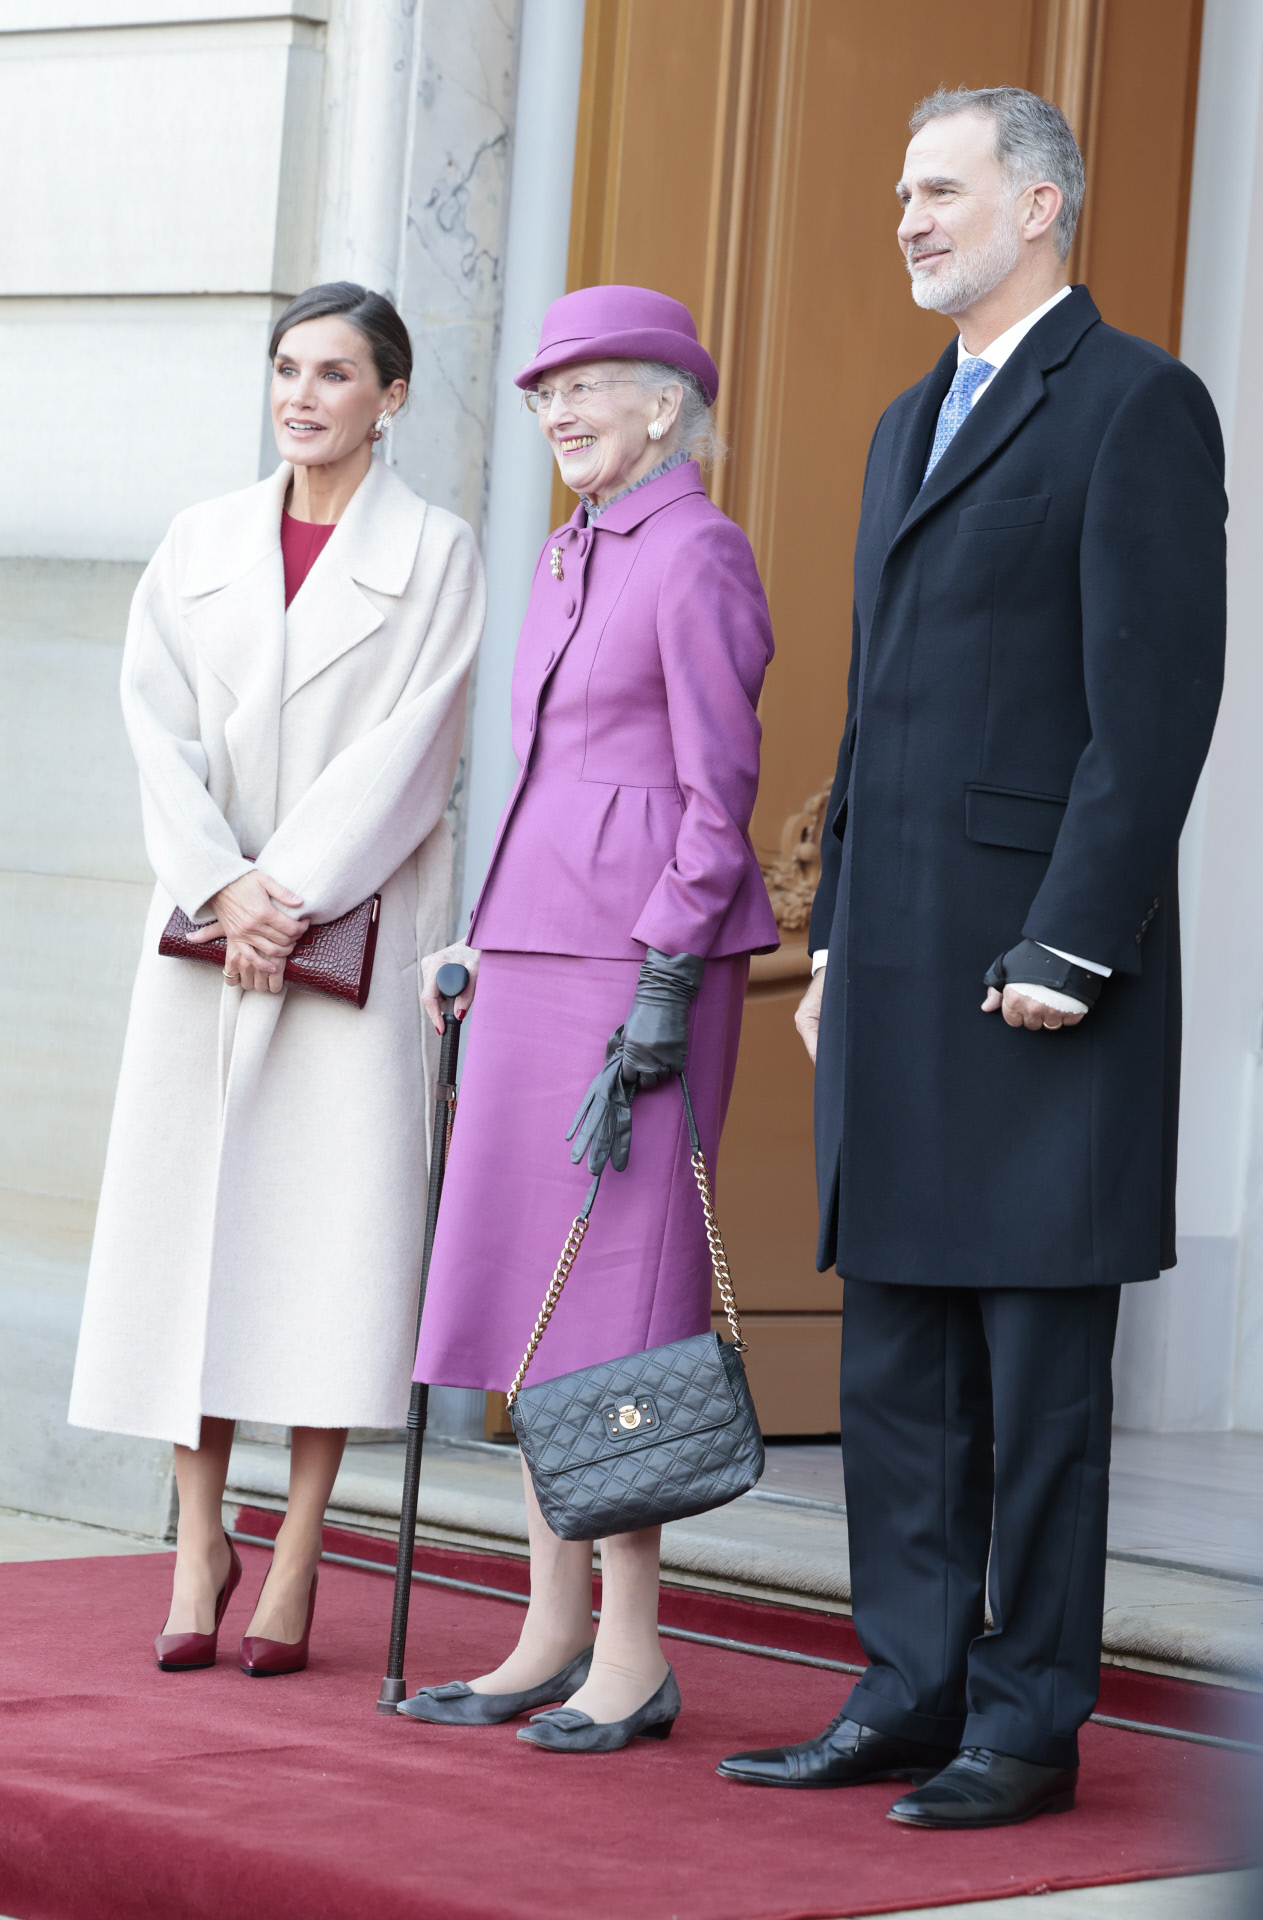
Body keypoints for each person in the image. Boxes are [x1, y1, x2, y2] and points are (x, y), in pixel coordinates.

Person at [719, 88, 1226, 1824]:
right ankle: (909, 1689)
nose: (910, 217)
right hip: (901, 965)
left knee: (1037, 1377)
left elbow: (1150, 713)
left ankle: (1026, 1722)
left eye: (940, 189)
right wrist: (837, 942)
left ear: (1041, 205)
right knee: (898, 1363)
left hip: (1039, 972)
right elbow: (876, 714)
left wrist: (1076, 941)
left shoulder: (1143, 405)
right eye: (898, 191)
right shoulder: (902, 421)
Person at [68, 282, 485, 1677]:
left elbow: (414, 752)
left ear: (394, 396)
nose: (304, 395)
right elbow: (154, 728)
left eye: (336, 374)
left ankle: (300, 1548)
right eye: (288, 369)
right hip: (207, 940)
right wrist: (225, 887)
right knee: (191, 1240)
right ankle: (199, 1543)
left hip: (351, 938)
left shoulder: (437, 554)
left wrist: (287, 895)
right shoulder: (196, 545)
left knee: (324, 1247)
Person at [403, 285, 778, 1753]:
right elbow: (556, 782)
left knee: (622, 1314)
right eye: (544, 392)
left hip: (638, 974)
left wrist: (669, 975)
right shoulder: (569, 550)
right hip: (533, 962)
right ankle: (546, 1629)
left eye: (588, 389)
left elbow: (716, 793)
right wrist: (485, 943)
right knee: (531, 1299)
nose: (559, 413)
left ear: (665, 406)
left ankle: (633, 1652)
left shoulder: (697, 553)